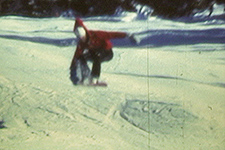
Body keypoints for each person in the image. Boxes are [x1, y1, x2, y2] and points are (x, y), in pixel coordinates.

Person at [70, 18, 135, 86]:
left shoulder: (96, 35)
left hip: (107, 53)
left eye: (83, 37)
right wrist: (72, 69)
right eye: (80, 37)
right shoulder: (81, 43)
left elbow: (112, 34)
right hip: (94, 54)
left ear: (85, 33)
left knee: (96, 55)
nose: (82, 39)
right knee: (80, 58)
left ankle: (94, 79)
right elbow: (76, 56)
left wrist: (128, 35)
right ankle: (85, 77)